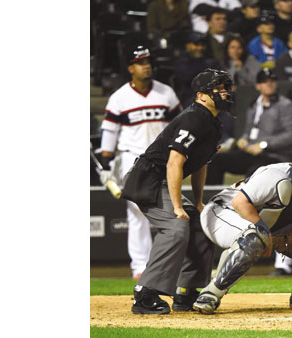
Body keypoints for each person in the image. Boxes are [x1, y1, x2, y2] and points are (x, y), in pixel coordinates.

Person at [123, 68, 234, 314]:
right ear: (202, 95)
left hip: (161, 179)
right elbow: (175, 162)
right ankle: (145, 293)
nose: (225, 92)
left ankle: (187, 292)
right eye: (220, 88)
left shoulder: (213, 123)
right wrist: (176, 206)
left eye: (226, 87)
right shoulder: (194, 117)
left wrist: (197, 202)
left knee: (200, 227)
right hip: (147, 178)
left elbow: (200, 164)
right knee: (175, 227)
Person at [192, 135, 292, 314]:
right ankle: (210, 294)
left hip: (254, 223)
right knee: (254, 237)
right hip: (221, 213)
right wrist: (265, 233)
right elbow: (240, 203)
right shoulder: (278, 175)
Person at [100, 45, 182, 280]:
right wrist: (106, 162)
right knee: (136, 210)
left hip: (163, 158)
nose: (146, 66)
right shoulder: (119, 97)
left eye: (148, 62)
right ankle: (140, 265)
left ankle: (164, 264)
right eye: (140, 62)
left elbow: (180, 124)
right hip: (131, 157)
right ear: (130, 68)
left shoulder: (166, 92)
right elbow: (110, 131)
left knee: (171, 208)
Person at [205, 68, 292, 184]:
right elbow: (249, 130)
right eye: (265, 81)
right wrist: (244, 139)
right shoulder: (254, 105)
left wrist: (264, 144)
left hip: (274, 155)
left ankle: (244, 201)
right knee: (216, 160)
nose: (269, 83)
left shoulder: (286, 105)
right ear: (258, 86)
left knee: (254, 171)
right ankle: (211, 199)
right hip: (251, 153)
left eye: (272, 80)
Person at [174, 32, 221, 107]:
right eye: (196, 45)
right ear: (188, 45)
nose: (200, 48)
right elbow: (186, 77)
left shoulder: (212, 62)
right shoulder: (180, 63)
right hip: (190, 99)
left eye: (202, 45)